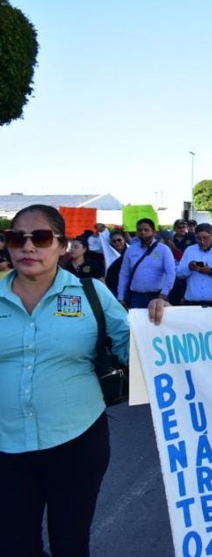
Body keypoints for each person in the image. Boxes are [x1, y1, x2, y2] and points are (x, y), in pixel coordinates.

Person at [0, 204, 129, 556]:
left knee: (70, 543)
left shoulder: (91, 295)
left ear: (62, 245)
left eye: (40, 238)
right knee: (13, 545)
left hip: (77, 444)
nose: (28, 247)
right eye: (16, 238)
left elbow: (136, 348)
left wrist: (159, 324)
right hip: (6, 449)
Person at [117, 218, 176, 309]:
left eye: (146, 230)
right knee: (137, 323)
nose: (143, 232)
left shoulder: (163, 249)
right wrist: (121, 297)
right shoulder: (131, 250)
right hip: (137, 297)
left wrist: (164, 293)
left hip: (158, 297)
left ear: (154, 232)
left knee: (157, 323)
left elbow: (171, 272)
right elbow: (124, 274)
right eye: (140, 230)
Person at [175, 223, 212, 306]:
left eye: (205, 238)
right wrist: (189, 268)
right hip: (192, 302)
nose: (202, 242)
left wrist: (211, 271)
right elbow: (178, 273)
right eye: (199, 238)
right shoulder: (189, 250)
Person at [105, 229, 128, 297]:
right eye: (114, 241)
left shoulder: (131, 251)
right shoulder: (108, 253)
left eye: (119, 240)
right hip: (113, 286)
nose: (117, 243)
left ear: (124, 239)